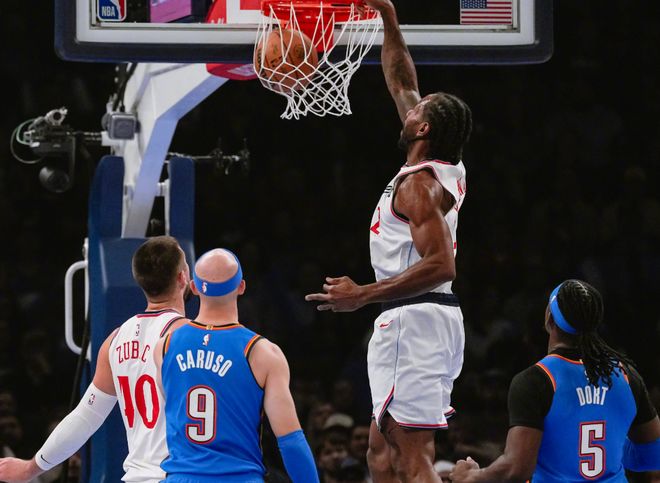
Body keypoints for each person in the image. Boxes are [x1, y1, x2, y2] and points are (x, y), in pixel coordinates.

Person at [305, 0, 471, 481]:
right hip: (421, 321)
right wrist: (387, 16)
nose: (407, 104)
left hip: (414, 321)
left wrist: (363, 294)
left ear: (423, 128)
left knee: (412, 456)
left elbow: (441, 264)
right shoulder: (439, 166)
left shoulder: (419, 186)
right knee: (380, 453)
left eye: (416, 109)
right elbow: (401, 82)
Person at [0, 236, 190, 483]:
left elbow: (85, 417)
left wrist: (30, 468)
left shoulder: (115, 340)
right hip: (179, 475)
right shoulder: (191, 336)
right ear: (183, 278)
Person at [450, 279, 660, 482]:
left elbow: (516, 469)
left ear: (549, 318)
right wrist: (609, 447)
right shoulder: (626, 375)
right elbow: (653, 456)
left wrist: (472, 476)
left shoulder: (536, 380)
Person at [154, 248, 318, 482]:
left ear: (194, 287)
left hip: (181, 476)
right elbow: (291, 441)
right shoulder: (262, 352)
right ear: (241, 286)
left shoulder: (165, 346)